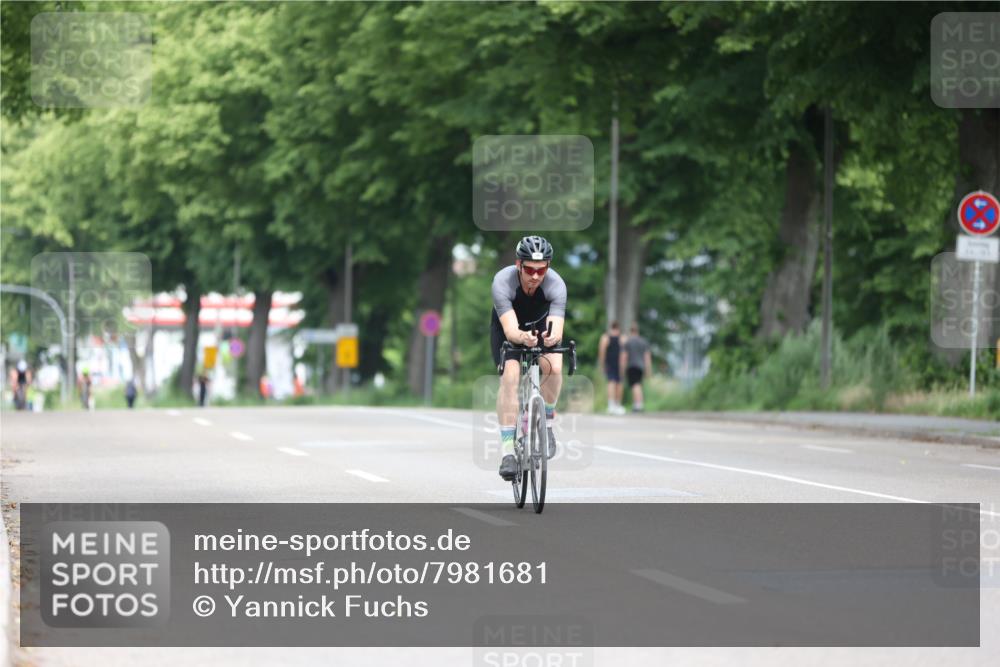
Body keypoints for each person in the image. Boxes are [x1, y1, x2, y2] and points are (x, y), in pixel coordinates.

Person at [491, 235, 566, 480]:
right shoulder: (502, 282)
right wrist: (523, 338)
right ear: (518, 265)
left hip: (540, 324)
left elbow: (556, 329)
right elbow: (511, 330)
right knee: (511, 377)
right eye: (530, 270)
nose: (536, 276)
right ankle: (507, 452)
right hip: (508, 326)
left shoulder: (556, 285)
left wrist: (550, 339)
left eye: (541, 269)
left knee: (554, 366)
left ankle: (547, 422)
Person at [620, 323, 652, 412]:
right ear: (637, 331)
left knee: (635, 385)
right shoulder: (643, 341)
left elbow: (624, 356)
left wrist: (622, 368)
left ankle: (638, 405)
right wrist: (648, 369)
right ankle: (636, 404)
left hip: (632, 366)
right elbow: (647, 357)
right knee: (638, 385)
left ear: (630, 331)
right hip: (641, 366)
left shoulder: (628, 342)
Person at [597, 322, 625, 415]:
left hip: (609, 362)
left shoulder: (605, 337)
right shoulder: (622, 338)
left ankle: (611, 405)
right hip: (619, 363)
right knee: (619, 383)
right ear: (618, 328)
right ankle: (617, 405)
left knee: (611, 382)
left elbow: (602, 351)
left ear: (611, 328)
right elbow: (624, 353)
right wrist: (623, 365)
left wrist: (602, 364)